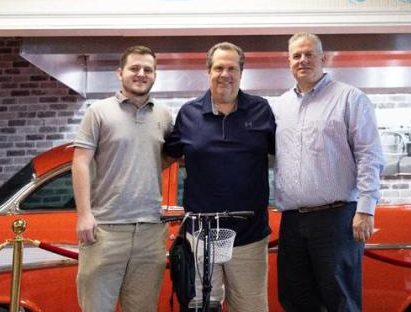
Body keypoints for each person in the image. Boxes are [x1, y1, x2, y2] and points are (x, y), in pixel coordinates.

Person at [272, 33, 384, 312]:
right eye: (296, 55)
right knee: (296, 300)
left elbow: (369, 154)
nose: (303, 60)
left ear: (323, 58)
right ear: (288, 61)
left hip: (337, 219)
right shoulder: (280, 106)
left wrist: (366, 208)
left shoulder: (350, 98)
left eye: (310, 54)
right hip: (292, 222)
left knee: (340, 301)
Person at [164, 42, 276, 312]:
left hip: (250, 236)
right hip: (201, 238)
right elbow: (167, 156)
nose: (225, 74)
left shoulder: (261, 110)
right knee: (202, 308)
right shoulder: (189, 114)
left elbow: (283, 156)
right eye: (218, 68)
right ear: (208, 71)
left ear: (241, 72)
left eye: (232, 68)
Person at [71, 45, 174, 312]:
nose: (141, 74)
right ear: (120, 73)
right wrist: (84, 214)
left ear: (154, 75)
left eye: (148, 70)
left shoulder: (164, 116)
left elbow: (165, 159)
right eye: (134, 68)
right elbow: (80, 161)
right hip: (105, 230)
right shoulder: (99, 112)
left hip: (150, 231)